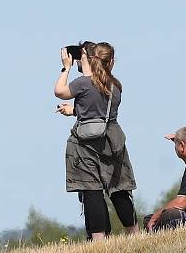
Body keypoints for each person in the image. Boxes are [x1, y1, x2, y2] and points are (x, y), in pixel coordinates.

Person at [54, 42, 139, 240]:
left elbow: (59, 91)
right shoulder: (115, 85)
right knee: (119, 190)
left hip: (85, 144)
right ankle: (135, 235)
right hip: (111, 140)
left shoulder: (82, 83)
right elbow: (100, 111)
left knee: (92, 192)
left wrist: (66, 67)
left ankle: (99, 242)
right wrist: (75, 111)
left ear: (88, 59)